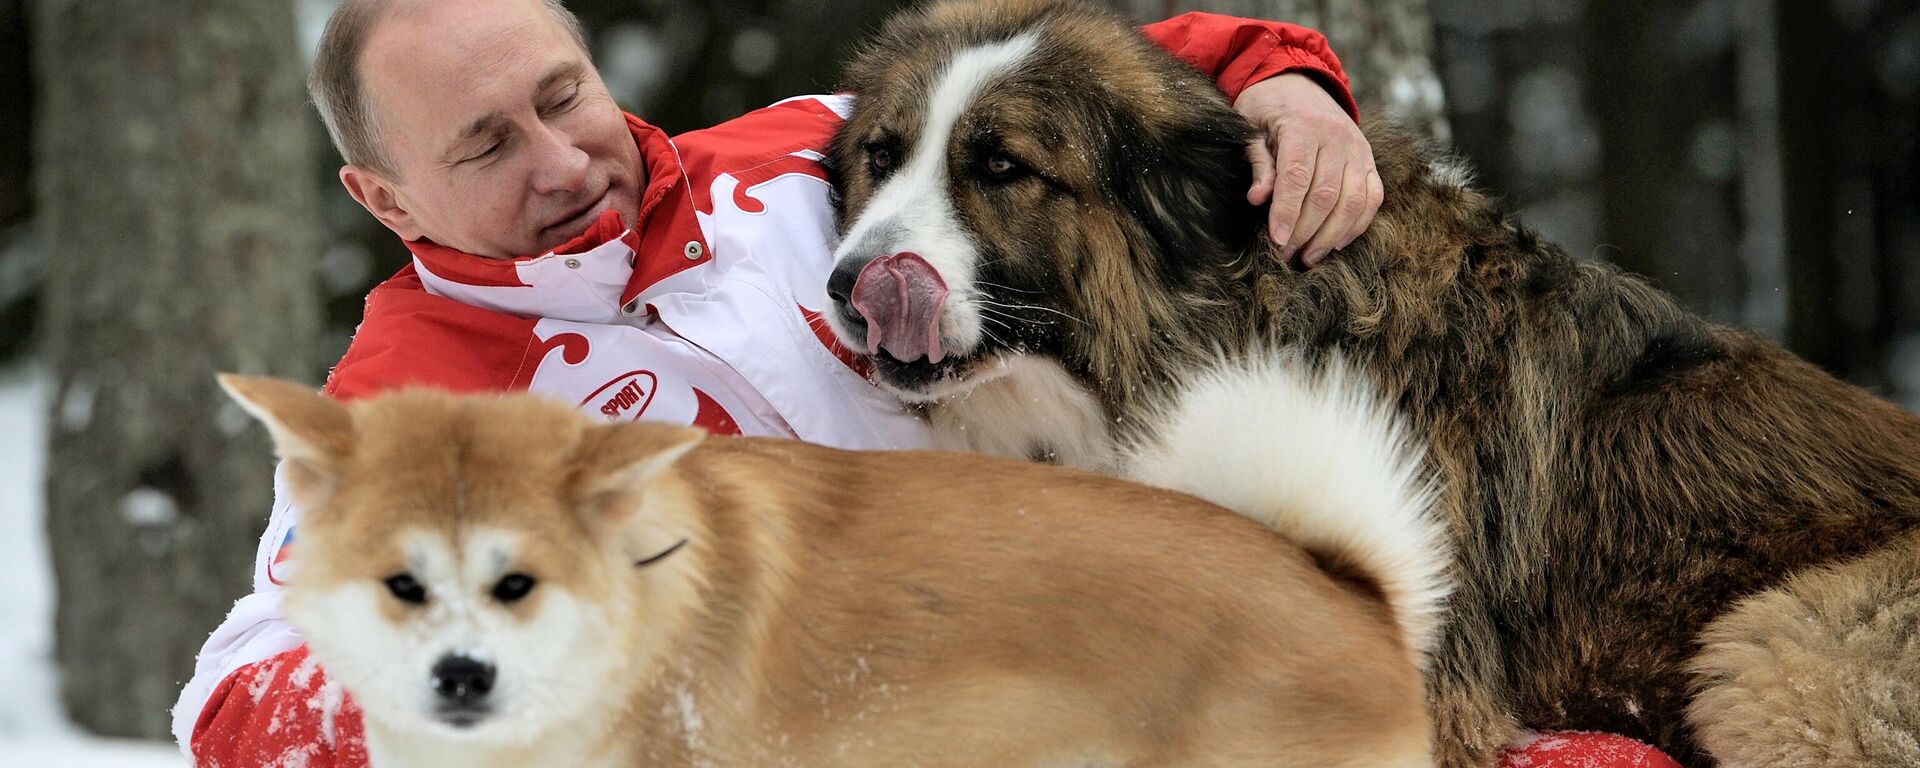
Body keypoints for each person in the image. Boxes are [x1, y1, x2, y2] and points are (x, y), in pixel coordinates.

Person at [171, 1, 1673, 766]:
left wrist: (1284, 77)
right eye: (485, 147)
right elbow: (244, 689)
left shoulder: (811, 150)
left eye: (564, 97)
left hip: (1187, 624)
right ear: (385, 197)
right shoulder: (408, 401)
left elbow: (1093, 65)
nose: (564, 162)